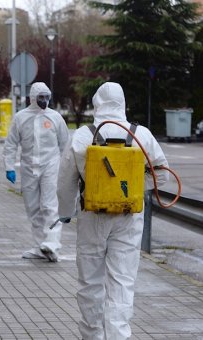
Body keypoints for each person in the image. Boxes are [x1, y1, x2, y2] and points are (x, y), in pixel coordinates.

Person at [57, 82, 169, 339]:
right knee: (122, 282)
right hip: (129, 218)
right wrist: (129, 190)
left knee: (90, 283)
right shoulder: (142, 135)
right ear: (122, 103)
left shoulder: (84, 135)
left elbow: (65, 182)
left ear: (97, 103)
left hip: (92, 216)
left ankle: (92, 335)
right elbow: (162, 176)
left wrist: (66, 211)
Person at [2, 82, 69, 262]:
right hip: (28, 167)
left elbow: (65, 146)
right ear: (32, 98)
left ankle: (53, 243)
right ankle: (42, 247)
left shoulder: (55, 117)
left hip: (51, 167)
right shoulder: (21, 118)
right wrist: (9, 166)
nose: (45, 101)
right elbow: (11, 144)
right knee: (32, 208)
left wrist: (66, 170)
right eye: (41, 97)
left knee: (50, 206)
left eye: (47, 97)